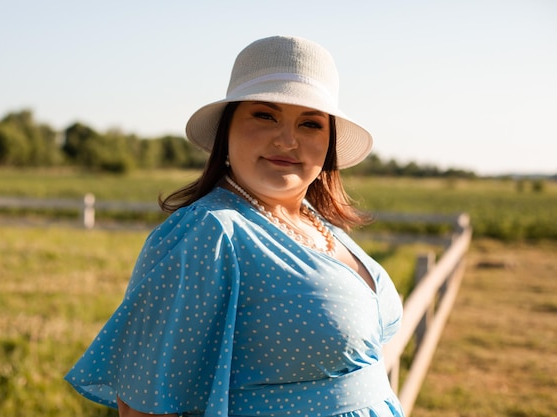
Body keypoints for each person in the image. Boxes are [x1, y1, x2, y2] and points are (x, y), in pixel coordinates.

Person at [65, 35, 404, 417]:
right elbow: (144, 405)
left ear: (329, 143)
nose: (288, 140)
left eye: (310, 123)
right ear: (227, 130)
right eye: (265, 115)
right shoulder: (208, 233)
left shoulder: (319, 225)